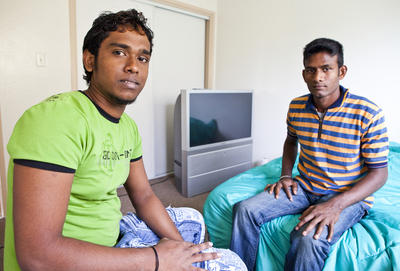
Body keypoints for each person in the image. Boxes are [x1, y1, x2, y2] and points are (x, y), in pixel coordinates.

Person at [4, 9, 246, 271]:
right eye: (119, 52)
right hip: (70, 259)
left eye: (143, 58)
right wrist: (157, 259)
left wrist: (183, 253)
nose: (133, 66)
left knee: (193, 220)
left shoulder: (127, 127)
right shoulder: (56, 119)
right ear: (89, 60)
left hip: (113, 241)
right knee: (233, 265)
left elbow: (143, 195)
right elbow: (37, 256)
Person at [230, 38, 389, 271]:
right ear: (304, 74)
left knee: (307, 238)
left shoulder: (368, 113)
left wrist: (336, 205)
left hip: (347, 194)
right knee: (244, 210)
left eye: (326, 69)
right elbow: (290, 141)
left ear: (341, 71)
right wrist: (286, 176)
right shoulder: (296, 106)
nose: (318, 78)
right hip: (305, 186)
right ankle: (236, 267)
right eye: (311, 70)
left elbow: (380, 173)